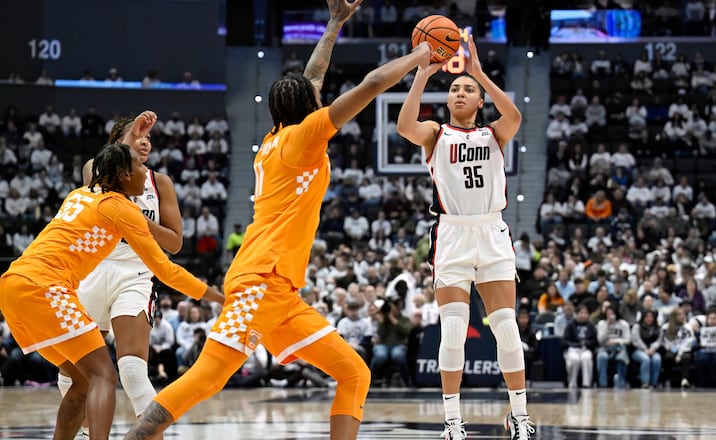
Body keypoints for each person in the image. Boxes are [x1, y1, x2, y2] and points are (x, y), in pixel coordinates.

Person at [124, 1, 433, 438]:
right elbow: (372, 83)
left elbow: (311, 78)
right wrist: (423, 55)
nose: (321, 95)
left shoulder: (277, 137)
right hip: (259, 279)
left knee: (354, 373)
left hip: (282, 290)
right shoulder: (305, 136)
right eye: (317, 99)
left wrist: (333, 24)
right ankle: (140, 434)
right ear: (310, 108)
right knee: (208, 376)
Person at [0, 143, 222, 440]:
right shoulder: (121, 208)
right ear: (123, 174)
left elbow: (101, 165)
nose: (146, 172)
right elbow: (167, 271)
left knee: (80, 382)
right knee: (103, 376)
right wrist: (217, 296)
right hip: (46, 288)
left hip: (14, 285)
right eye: (140, 167)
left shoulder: (78, 195)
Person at [396, 34, 534, 439]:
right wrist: (421, 75)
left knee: (506, 326)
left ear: (478, 101)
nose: (460, 92)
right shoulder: (436, 135)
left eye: (467, 90)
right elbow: (405, 126)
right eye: (455, 88)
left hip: (491, 232)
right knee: (453, 329)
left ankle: (519, 417)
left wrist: (480, 74)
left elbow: (516, 118)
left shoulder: (494, 134)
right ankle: (453, 422)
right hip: (453, 235)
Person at [56, 109, 186, 439]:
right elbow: (99, 184)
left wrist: (136, 222)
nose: (145, 141)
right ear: (117, 142)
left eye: (148, 137)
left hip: (136, 273)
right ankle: (87, 433)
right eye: (138, 135)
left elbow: (175, 242)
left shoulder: (160, 183)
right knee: (71, 375)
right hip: (92, 269)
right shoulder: (93, 170)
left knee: (131, 369)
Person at [630, 310, 662, 389]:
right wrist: (644, 349)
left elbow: (659, 341)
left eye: (651, 317)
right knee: (646, 359)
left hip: (653, 350)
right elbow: (635, 340)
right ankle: (645, 383)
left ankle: (654, 383)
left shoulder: (658, 328)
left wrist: (652, 348)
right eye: (647, 317)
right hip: (638, 350)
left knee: (657, 359)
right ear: (643, 318)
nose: (649, 319)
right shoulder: (637, 326)